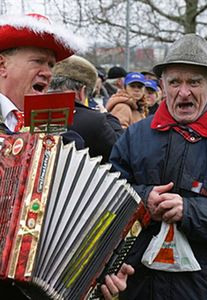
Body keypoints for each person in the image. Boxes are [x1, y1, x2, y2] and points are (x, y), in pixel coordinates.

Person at [0, 12, 133, 300]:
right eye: (38, 61)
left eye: (51, 64)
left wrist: (103, 272)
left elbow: (86, 216)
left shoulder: (62, 137)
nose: (48, 72)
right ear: (2, 65)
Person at [109, 33, 207, 300]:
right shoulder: (134, 137)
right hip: (139, 287)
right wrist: (142, 199)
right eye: (174, 82)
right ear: (162, 85)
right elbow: (108, 198)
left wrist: (190, 210)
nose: (183, 92)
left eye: (194, 82)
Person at [49, 54, 124, 163]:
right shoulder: (95, 120)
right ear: (82, 92)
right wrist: (107, 116)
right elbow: (120, 150)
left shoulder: (27, 113)